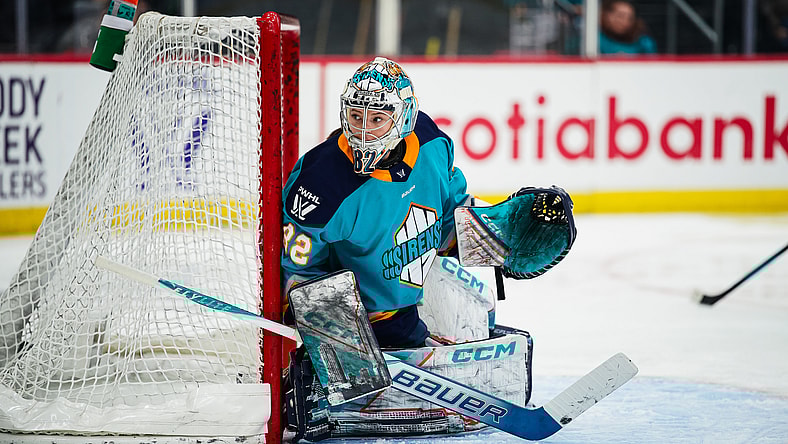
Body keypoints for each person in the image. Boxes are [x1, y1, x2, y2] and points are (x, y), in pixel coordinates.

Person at [280, 57, 473, 349]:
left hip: (409, 305)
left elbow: (450, 216)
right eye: (356, 117)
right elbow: (297, 274)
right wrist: (343, 326)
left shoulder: (431, 142)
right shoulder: (320, 182)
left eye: (377, 120)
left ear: (404, 119)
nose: (363, 132)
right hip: (362, 321)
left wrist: (498, 239)